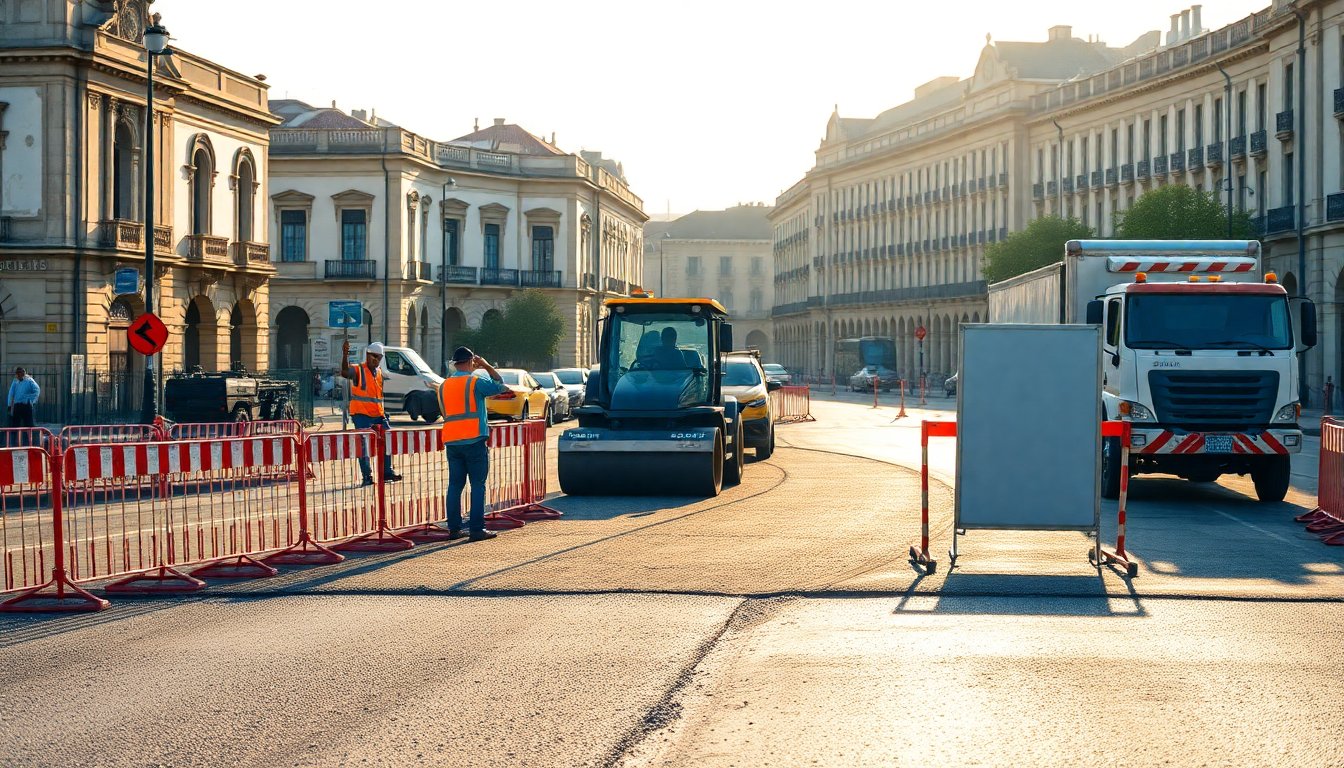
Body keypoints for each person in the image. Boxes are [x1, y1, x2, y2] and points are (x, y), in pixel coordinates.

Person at [437, 346, 509, 542]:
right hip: (474, 439)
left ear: (455, 363)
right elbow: (500, 385)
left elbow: (445, 412)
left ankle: (454, 529)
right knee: (478, 485)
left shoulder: (444, 385)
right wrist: (486, 365)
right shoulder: (475, 382)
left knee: (455, 485)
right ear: (470, 362)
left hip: (452, 441)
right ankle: (477, 529)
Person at [341, 341, 402, 486]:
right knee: (364, 445)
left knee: (387, 438)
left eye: (379, 357)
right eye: (375, 356)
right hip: (361, 414)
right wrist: (345, 355)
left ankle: (387, 472)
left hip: (378, 414)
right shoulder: (358, 370)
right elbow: (344, 372)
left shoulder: (379, 372)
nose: (377, 360)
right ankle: (367, 476)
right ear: (368, 355)